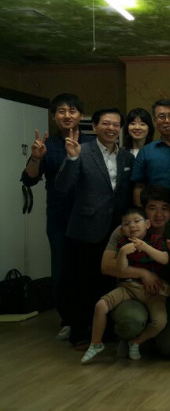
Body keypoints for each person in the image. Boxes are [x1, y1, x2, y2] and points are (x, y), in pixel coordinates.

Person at [56, 107, 135, 347]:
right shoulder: (81, 150)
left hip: (115, 228)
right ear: (95, 126)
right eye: (106, 123)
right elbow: (62, 187)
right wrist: (72, 159)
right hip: (86, 227)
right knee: (82, 282)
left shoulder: (126, 157)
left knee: (109, 281)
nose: (111, 128)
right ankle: (80, 332)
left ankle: (106, 332)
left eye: (116, 125)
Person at [21, 93, 92, 340]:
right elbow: (29, 179)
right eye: (61, 111)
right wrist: (36, 157)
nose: (67, 115)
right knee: (61, 271)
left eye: (72, 110)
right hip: (59, 218)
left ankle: (91, 320)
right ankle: (68, 319)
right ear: (54, 117)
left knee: (88, 270)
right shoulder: (46, 145)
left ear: (80, 115)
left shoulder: (92, 144)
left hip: (89, 217)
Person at [104, 185, 170, 359]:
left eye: (165, 209)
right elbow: (106, 266)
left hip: (164, 296)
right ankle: (127, 336)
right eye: (152, 208)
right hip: (132, 292)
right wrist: (143, 274)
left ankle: (144, 339)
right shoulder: (127, 228)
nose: (159, 214)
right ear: (143, 210)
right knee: (129, 321)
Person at [81, 208, 170, 363]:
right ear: (122, 229)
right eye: (127, 224)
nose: (132, 226)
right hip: (128, 287)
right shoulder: (123, 243)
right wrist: (122, 253)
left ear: (147, 224)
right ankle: (96, 344)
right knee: (100, 306)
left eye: (137, 221)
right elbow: (121, 269)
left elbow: (164, 259)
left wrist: (145, 247)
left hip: (154, 290)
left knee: (160, 322)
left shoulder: (156, 239)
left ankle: (136, 342)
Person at [131, 99, 170, 212]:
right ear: (155, 122)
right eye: (161, 116)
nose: (167, 121)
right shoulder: (146, 151)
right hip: (156, 214)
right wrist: (142, 215)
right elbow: (139, 187)